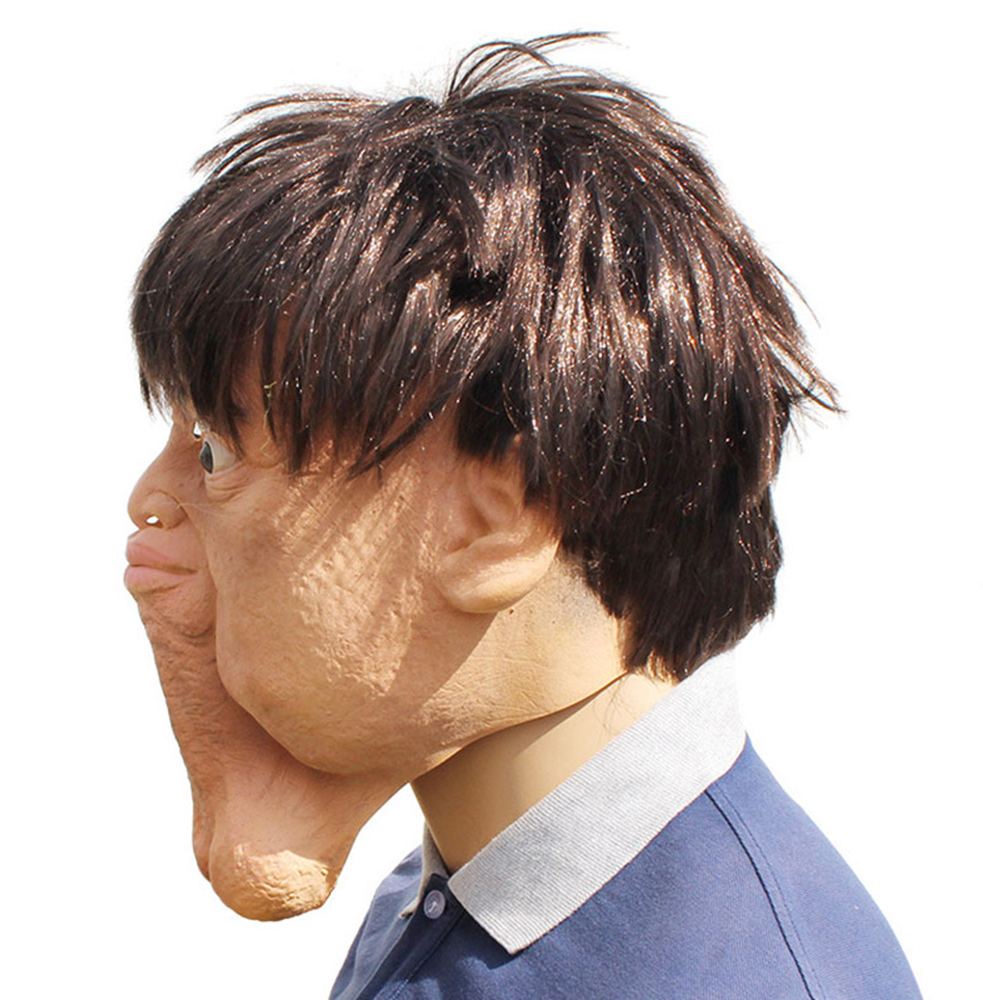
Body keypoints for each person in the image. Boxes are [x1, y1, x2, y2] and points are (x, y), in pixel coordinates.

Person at [124, 34, 923, 999]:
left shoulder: (731, 978)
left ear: (490, 522)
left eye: (218, 450)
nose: (150, 499)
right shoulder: (463, 889)